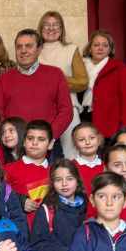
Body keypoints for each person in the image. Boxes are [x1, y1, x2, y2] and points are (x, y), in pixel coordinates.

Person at [0, 29, 73, 144]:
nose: (23, 50)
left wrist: (50, 136)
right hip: (14, 145)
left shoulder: (55, 74)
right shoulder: (3, 79)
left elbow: (66, 110)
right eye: (19, 47)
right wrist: (9, 136)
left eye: (29, 46)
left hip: (48, 144)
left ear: (39, 49)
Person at [37, 11, 88, 157]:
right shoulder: (34, 50)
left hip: (68, 108)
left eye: (56, 25)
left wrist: (55, 80)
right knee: (42, 151)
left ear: (61, 29)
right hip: (42, 109)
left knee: (72, 153)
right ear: (40, 28)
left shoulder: (70, 49)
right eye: (47, 24)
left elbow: (82, 81)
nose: (51, 28)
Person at [80, 30, 126, 141]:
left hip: (109, 122)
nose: (100, 48)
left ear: (110, 49)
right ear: (90, 48)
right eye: (96, 45)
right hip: (83, 116)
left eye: (105, 45)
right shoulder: (80, 67)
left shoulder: (121, 69)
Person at [4, 119, 52, 219]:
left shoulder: (56, 172)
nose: (34, 143)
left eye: (41, 139)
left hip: (48, 230)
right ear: (24, 142)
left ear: (50, 144)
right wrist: (20, 200)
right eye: (30, 138)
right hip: (18, 228)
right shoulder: (8, 169)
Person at [71, 122, 104, 195]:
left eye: (92, 138)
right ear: (75, 144)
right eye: (82, 140)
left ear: (99, 140)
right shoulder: (70, 167)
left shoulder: (106, 166)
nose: (87, 142)